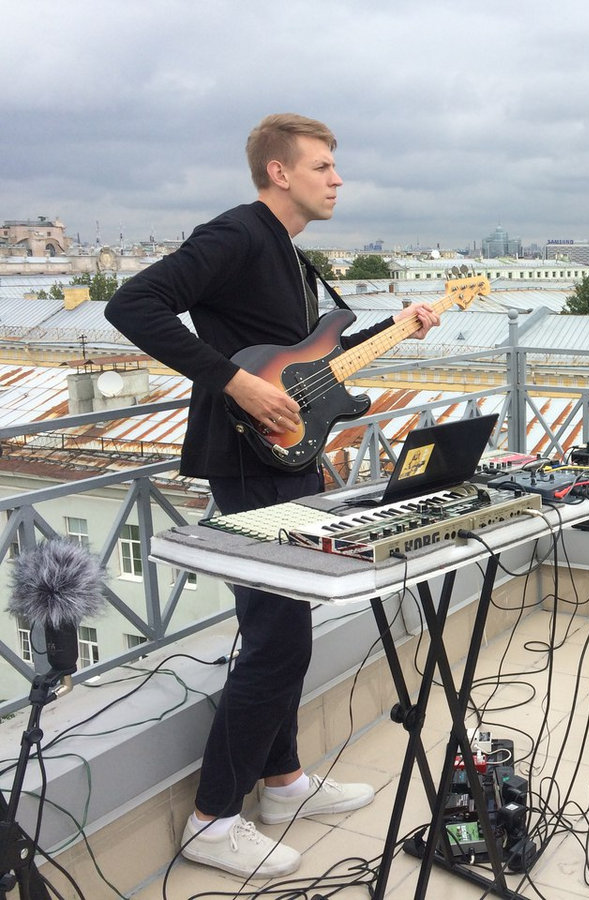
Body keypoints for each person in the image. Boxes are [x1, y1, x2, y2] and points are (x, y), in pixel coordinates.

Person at [105, 113, 440, 878]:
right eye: (323, 166)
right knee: (275, 639)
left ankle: (283, 783)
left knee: (285, 629)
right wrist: (234, 382)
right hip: (248, 461)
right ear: (279, 172)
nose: (338, 179)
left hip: (288, 459)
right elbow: (133, 305)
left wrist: (396, 328)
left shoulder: (288, 253)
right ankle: (212, 819)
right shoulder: (235, 234)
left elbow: (310, 366)